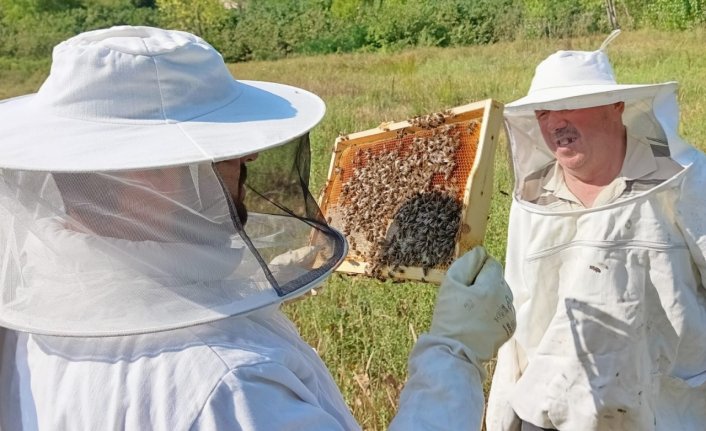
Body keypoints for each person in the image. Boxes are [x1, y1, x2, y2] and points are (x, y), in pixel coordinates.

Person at [0, 26, 515, 430]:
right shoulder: (229, 385)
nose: (247, 157)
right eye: (222, 154)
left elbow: (154, 287)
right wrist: (455, 354)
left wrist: (260, 272)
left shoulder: (38, 312)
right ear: (146, 176)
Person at [486, 30, 706, 431]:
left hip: (663, 412)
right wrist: (503, 413)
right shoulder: (534, 197)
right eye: (543, 112)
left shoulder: (683, 179)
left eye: (570, 106)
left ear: (615, 105)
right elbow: (517, 302)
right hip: (553, 412)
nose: (555, 122)